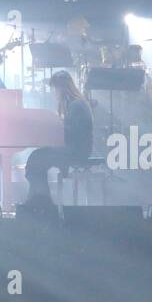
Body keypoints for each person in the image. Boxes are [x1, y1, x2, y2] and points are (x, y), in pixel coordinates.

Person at [24, 70, 96, 203]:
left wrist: (50, 132)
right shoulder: (75, 104)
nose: (53, 93)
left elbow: (71, 133)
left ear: (62, 88)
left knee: (36, 159)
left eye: (55, 89)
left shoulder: (76, 105)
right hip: (74, 148)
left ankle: (40, 201)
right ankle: (40, 199)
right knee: (36, 158)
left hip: (77, 150)